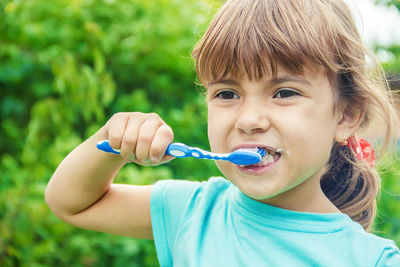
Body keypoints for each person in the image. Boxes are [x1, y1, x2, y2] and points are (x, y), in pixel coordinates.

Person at [45, 0, 400, 266]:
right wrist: (111, 142)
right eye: (227, 94)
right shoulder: (193, 213)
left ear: (346, 115)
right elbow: (71, 204)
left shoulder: (373, 260)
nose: (249, 119)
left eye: (284, 93)